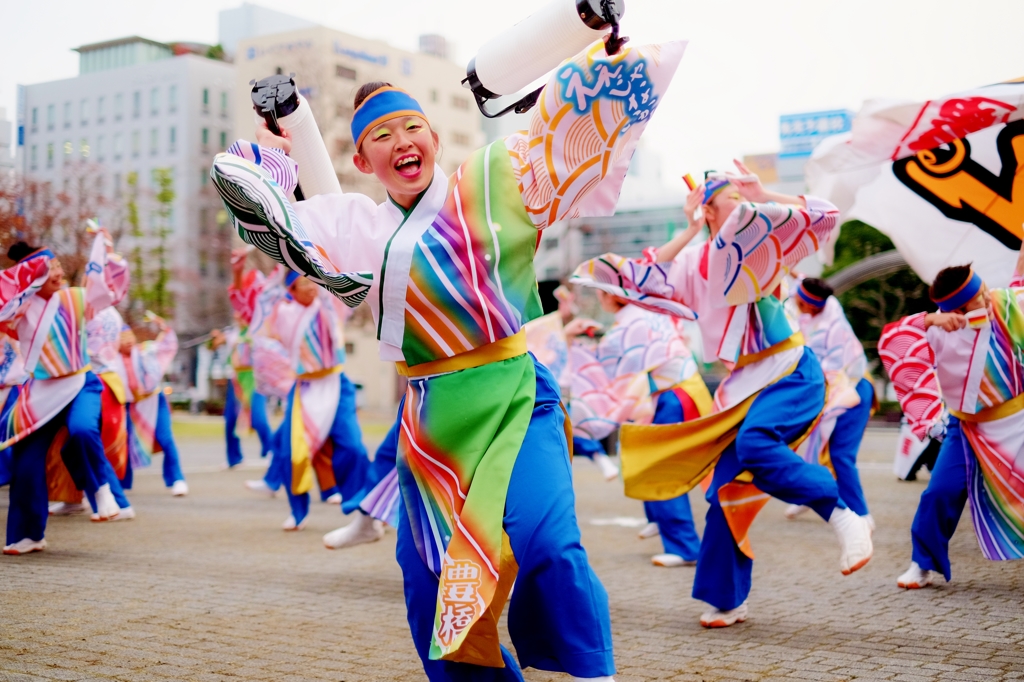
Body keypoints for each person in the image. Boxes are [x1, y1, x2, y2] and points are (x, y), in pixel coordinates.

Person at [212, 36, 685, 682]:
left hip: (518, 395)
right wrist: (286, 136)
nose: (402, 140)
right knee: (430, 577)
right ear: (362, 157)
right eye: (382, 134)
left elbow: (560, 134)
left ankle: (592, 672)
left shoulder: (490, 185)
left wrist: (600, 48)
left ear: (434, 135)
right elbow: (297, 225)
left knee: (546, 543)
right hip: (433, 420)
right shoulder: (362, 227)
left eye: (412, 126)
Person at [571, 163, 873, 628]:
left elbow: (826, 215)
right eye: (730, 198)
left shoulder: (761, 239)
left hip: (789, 370)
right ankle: (728, 599)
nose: (741, 203)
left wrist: (762, 190)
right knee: (725, 491)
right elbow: (639, 277)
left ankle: (841, 513)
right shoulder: (694, 262)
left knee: (755, 445)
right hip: (742, 387)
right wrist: (690, 227)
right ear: (709, 209)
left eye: (739, 196)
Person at [879, 253, 1024, 589]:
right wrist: (929, 320)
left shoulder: (1005, 305)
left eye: (984, 290)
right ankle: (922, 563)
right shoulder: (933, 332)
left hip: (1017, 422)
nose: (988, 298)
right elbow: (893, 338)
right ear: (956, 311)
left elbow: (1019, 279)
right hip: (967, 428)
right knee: (939, 492)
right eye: (978, 299)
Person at [0, 232, 130, 554]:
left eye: (58, 264)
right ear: (33, 277)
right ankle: (28, 534)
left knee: (83, 429)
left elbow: (107, 292)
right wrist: (22, 285)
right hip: (41, 394)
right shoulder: (20, 310)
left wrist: (108, 255)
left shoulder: (75, 298)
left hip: (80, 384)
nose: (58, 272)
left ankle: (102, 493)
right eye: (50, 268)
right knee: (27, 463)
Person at [565, 289, 713, 568]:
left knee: (658, 467)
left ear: (609, 296)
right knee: (642, 458)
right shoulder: (640, 313)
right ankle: (659, 519)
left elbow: (606, 365)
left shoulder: (629, 323)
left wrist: (570, 337)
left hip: (672, 396)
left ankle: (684, 545)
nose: (599, 298)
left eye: (600, 293)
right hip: (675, 393)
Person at [251, 271, 369, 530]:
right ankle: (298, 512)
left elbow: (340, 281)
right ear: (291, 290)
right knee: (292, 452)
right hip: (305, 388)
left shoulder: (330, 304)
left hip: (337, 383)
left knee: (353, 447)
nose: (310, 287)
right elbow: (264, 305)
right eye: (302, 283)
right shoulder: (284, 314)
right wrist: (282, 263)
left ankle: (365, 508)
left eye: (311, 280)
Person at [784, 277, 875, 527]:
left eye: (801, 302)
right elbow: (796, 283)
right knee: (813, 444)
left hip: (852, 389)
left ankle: (862, 515)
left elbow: (831, 370)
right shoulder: (808, 301)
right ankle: (812, 495)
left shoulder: (834, 327)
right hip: (829, 391)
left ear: (814, 306)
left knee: (839, 454)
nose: (796, 303)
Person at [217, 248, 276, 469]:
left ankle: (270, 451)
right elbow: (219, 342)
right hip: (237, 380)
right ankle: (234, 457)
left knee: (259, 418)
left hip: (255, 378)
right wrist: (217, 340)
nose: (238, 313)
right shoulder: (233, 333)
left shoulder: (258, 329)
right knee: (230, 420)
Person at [120, 316, 187, 497]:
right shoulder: (111, 359)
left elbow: (167, 345)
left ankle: (178, 479)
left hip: (154, 400)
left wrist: (163, 327)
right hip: (128, 405)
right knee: (124, 443)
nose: (126, 341)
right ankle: (123, 483)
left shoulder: (144, 350)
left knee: (165, 438)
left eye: (128, 336)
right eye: (121, 337)